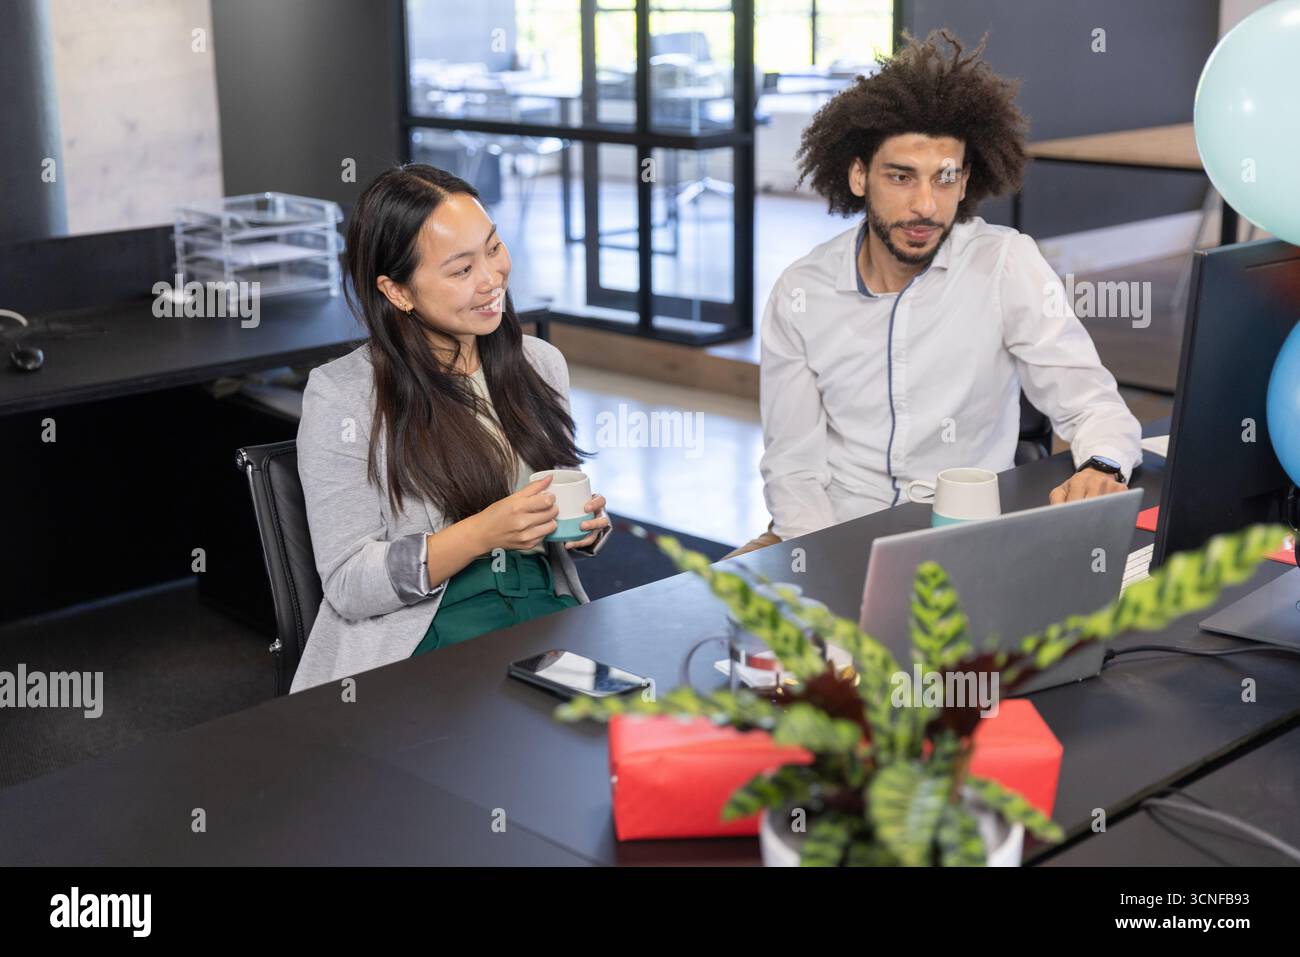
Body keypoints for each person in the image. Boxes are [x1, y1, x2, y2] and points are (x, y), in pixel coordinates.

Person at [740, 30, 1141, 555]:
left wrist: (1103, 464)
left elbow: (1091, 405)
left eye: (945, 178)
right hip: (831, 531)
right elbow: (793, 466)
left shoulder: (1004, 264)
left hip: (964, 536)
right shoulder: (802, 290)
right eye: (902, 177)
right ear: (859, 175)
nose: (926, 205)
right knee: (691, 620)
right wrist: (822, 562)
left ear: (966, 178)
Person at [291, 164, 610, 692]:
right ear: (398, 292)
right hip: (424, 633)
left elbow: (557, 498)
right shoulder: (342, 395)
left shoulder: (539, 363)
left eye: (493, 248)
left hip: (542, 610)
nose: (491, 279)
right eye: (461, 270)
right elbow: (349, 582)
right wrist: (483, 532)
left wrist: (583, 527)